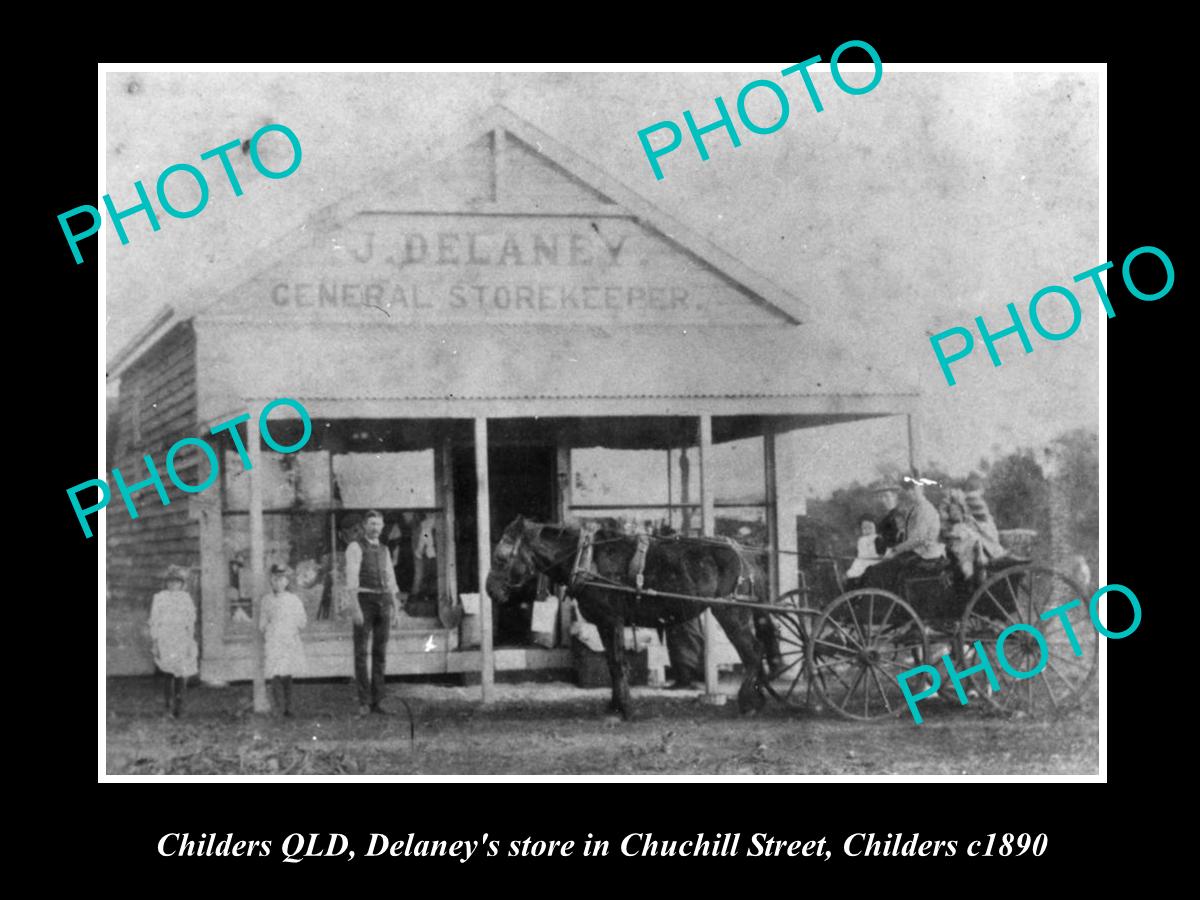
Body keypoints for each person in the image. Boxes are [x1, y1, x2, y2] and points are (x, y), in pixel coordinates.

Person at [341, 509, 400, 716]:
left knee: (380, 653)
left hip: (383, 601)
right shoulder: (355, 547)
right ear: (365, 526)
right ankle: (364, 701)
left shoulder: (385, 549)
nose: (375, 528)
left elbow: (391, 580)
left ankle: (378, 700)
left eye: (378, 524)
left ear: (383, 527)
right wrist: (355, 607)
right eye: (371, 524)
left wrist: (395, 609)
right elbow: (351, 581)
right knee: (361, 653)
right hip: (364, 601)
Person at [861, 475, 946, 596]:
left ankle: (886, 603)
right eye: (908, 489)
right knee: (877, 570)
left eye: (914, 489)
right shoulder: (915, 508)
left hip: (925, 555)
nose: (911, 492)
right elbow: (910, 534)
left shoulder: (925, 509)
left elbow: (918, 539)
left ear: (921, 489)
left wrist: (896, 549)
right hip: (916, 553)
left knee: (877, 571)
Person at [149, 564, 198, 718]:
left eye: (177, 582)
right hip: (166, 638)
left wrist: (190, 640)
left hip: (181, 638)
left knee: (181, 673)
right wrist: (155, 641)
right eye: (170, 581)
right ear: (166, 583)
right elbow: (154, 620)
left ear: (181, 584)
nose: (173, 585)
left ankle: (180, 706)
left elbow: (190, 621)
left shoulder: (185, 598)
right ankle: (168, 707)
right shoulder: (160, 598)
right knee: (168, 673)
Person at [260, 563, 307, 718]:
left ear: (287, 581)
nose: (278, 582)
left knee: (287, 674)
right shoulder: (267, 600)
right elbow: (262, 623)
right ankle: (277, 707)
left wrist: (291, 627)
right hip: (274, 640)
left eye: (282, 579)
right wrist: (268, 628)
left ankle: (289, 707)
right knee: (275, 674)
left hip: (288, 640)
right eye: (275, 579)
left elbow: (302, 622)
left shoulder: (293, 600)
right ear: (271, 581)